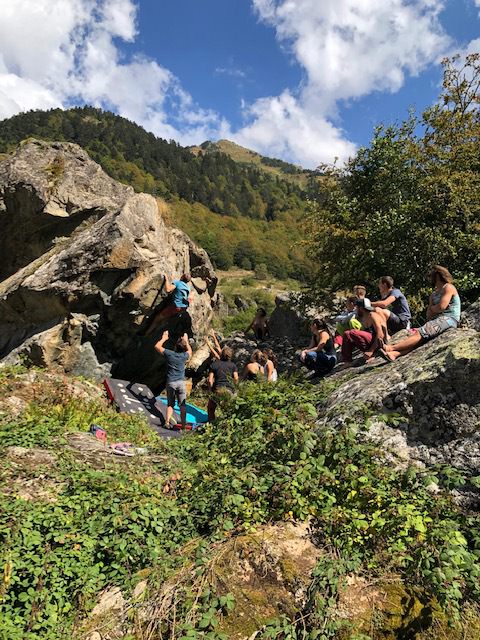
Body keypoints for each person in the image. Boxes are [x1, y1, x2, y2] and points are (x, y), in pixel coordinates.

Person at [380, 266, 461, 362]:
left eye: (430, 276)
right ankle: (394, 354)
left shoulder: (448, 287)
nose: (429, 279)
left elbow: (441, 307)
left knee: (421, 332)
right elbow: (429, 314)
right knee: (419, 339)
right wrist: (434, 309)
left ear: (437, 276)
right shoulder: (433, 295)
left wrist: (433, 308)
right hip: (437, 320)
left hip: (449, 319)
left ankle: (391, 348)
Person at [155, 330, 192, 429]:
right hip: (181, 382)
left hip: (171, 382)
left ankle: (167, 422)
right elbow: (190, 352)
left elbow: (157, 346)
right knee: (182, 405)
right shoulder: (184, 356)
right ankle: (183, 426)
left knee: (170, 404)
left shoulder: (170, 354)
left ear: (175, 346)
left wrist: (164, 338)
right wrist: (186, 341)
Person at [340, 299, 389, 367]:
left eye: (356, 307)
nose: (355, 310)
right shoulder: (363, 317)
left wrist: (371, 351)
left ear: (361, 308)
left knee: (352, 332)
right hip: (371, 343)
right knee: (347, 334)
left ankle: (373, 354)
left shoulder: (373, 315)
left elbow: (380, 334)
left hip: (378, 345)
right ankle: (347, 361)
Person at [207, 346, 239, 421]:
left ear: (221, 354)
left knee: (211, 408)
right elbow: (236, 378)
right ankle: (227, 425)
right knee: (229, 409)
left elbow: (210, 380)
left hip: (217, 390)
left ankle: (211, 423)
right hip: (229, 390)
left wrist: (210, 390)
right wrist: (235, 388)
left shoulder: (214, 365)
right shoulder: (233, 365)